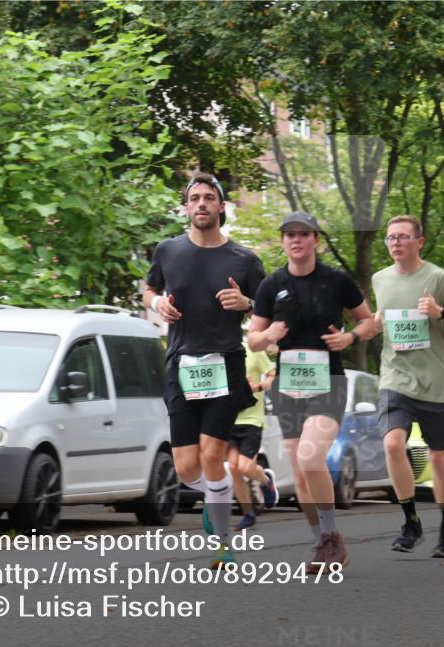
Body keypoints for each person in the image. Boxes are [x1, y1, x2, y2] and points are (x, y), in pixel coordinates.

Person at [143, 173, 265, 568]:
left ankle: (223, 544)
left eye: (209, 198)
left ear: (221, 206)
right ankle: (222, 493)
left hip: (225, 363)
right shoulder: (168, 251)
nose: (201, 204)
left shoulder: (244, 260)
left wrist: (246, 302)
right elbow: (148, 291)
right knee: (186, 468)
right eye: (194, 198)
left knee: (213, 453)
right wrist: (157, 302)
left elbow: (266, 310)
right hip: (181, 363)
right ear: (186, 207)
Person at [248, 211, 376, 574]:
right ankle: (323, 542)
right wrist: (268, 337)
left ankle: (332, 537)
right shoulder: (271, 285)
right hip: (287, 387)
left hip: (328, 383)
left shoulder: (336, 281)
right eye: (289, 234)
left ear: (315, 240)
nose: (296, 240)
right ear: (283, 241)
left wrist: (349, 337)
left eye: (303, 234)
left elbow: (368, 321)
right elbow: (253, 339)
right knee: (301, 474)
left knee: (309, 457)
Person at [373, 214, 444, 557]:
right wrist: (355, 332)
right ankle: (411, 522)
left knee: (438, 456)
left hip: (435, 383)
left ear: (419, 242)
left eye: (403, 237)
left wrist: (441, 312)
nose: (396, 243)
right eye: (391, 238)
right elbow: (378, 320)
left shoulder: (438, 278)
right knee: (393, 444)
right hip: (395, 379)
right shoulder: (379, 279)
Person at [228, 340, 278, 530]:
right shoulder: (220, 353)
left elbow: (272, 374)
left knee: (245, 467)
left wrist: (260, 387)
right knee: (233, 468)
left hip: (252, 420)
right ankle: (248, 514)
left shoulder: (252, 350)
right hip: (229, 420)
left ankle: (265, 480)